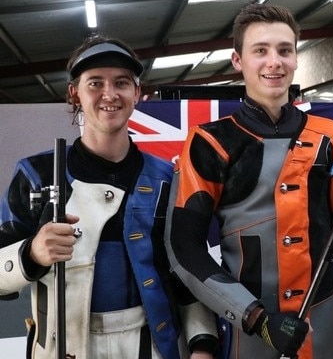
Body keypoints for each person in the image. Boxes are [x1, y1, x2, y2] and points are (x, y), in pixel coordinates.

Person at [164, 3, 333, 359]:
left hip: (324, 318)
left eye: (285, 50)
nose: (275, 62)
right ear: (238, 61)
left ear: (296, 58)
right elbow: (183, 249)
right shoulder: (208, 142)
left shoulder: (331, 137)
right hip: (249, 326)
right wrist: (254, 316)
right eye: (261, 51)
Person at [0, 35, 220, 359]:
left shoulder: (166, 179)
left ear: (137, 93)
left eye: (121, 82)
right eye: (95, 83)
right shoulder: (36, 174)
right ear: (74, 93)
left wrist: (203, 344)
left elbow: (186, 273)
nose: (109, 94)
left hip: (151, 346)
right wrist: (31, 253)